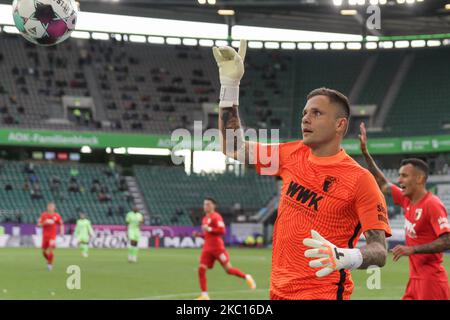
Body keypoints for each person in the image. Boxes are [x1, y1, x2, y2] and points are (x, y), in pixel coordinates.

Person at [212, 40, 391, 300]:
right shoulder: (291, 154)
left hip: (323, 294)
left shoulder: (360, 180)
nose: (305, 118)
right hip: (278, 292)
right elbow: (233, 147)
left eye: (317, 113)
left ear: (340, 125)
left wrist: (343, 257)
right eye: (305, 112)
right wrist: (230, 86)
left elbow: (379, 251)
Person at [359, 122, 450, 300]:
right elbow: (383, 183)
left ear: (420, 178)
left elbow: (447, 240)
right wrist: (365, 153)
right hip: (415, 280)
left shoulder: (432, 204)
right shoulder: (407, 200)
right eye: (399, 175)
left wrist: (413, 250)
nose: (399, 179)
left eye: (404, 176)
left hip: (431, 282)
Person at [195, 197, 256, 300]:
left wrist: (209, 228)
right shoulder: (205, 218)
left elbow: (222, 231)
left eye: (208, 204)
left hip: (218, 248)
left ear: (214, 205)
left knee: (228, 270)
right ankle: (204, 295)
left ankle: (247, 277)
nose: (206, 206)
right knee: (201, 269)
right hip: (207, 248)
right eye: (205, 204)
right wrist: (200, 235)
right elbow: (207, 235)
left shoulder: (216, 217)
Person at [37, 202, 64, 271]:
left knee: (50, 249)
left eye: (52, 207)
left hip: (52, 236)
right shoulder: (43, 215)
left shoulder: (57, 215)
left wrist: (61, 232)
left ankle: (49, 265)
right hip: (45, 236)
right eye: (49, 207)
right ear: (47, 207)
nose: (50, 208)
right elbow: (38, 225)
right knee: (43, 252)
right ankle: (49, 260)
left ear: (54, 208)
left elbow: (61, 224)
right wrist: (44, 223)